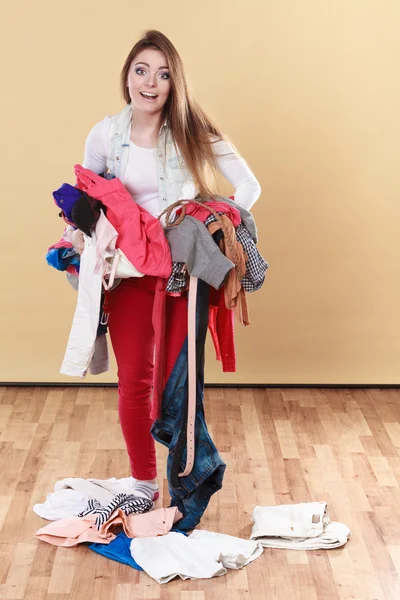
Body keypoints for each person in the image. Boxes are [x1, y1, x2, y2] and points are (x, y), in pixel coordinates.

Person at [70, 30, 261, 502]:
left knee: (176, 381)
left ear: (174, 84)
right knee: (134, 378)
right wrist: (81, 234)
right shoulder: (104, 134)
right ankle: (141, 483)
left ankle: (184, 482)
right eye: (141, 71)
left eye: (163, 74)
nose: (150, 83)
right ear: (127, 77)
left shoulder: (193, 131)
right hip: (129, 274)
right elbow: (83, 199)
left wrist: (217, 220)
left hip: (181, 274)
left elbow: (249, 186)